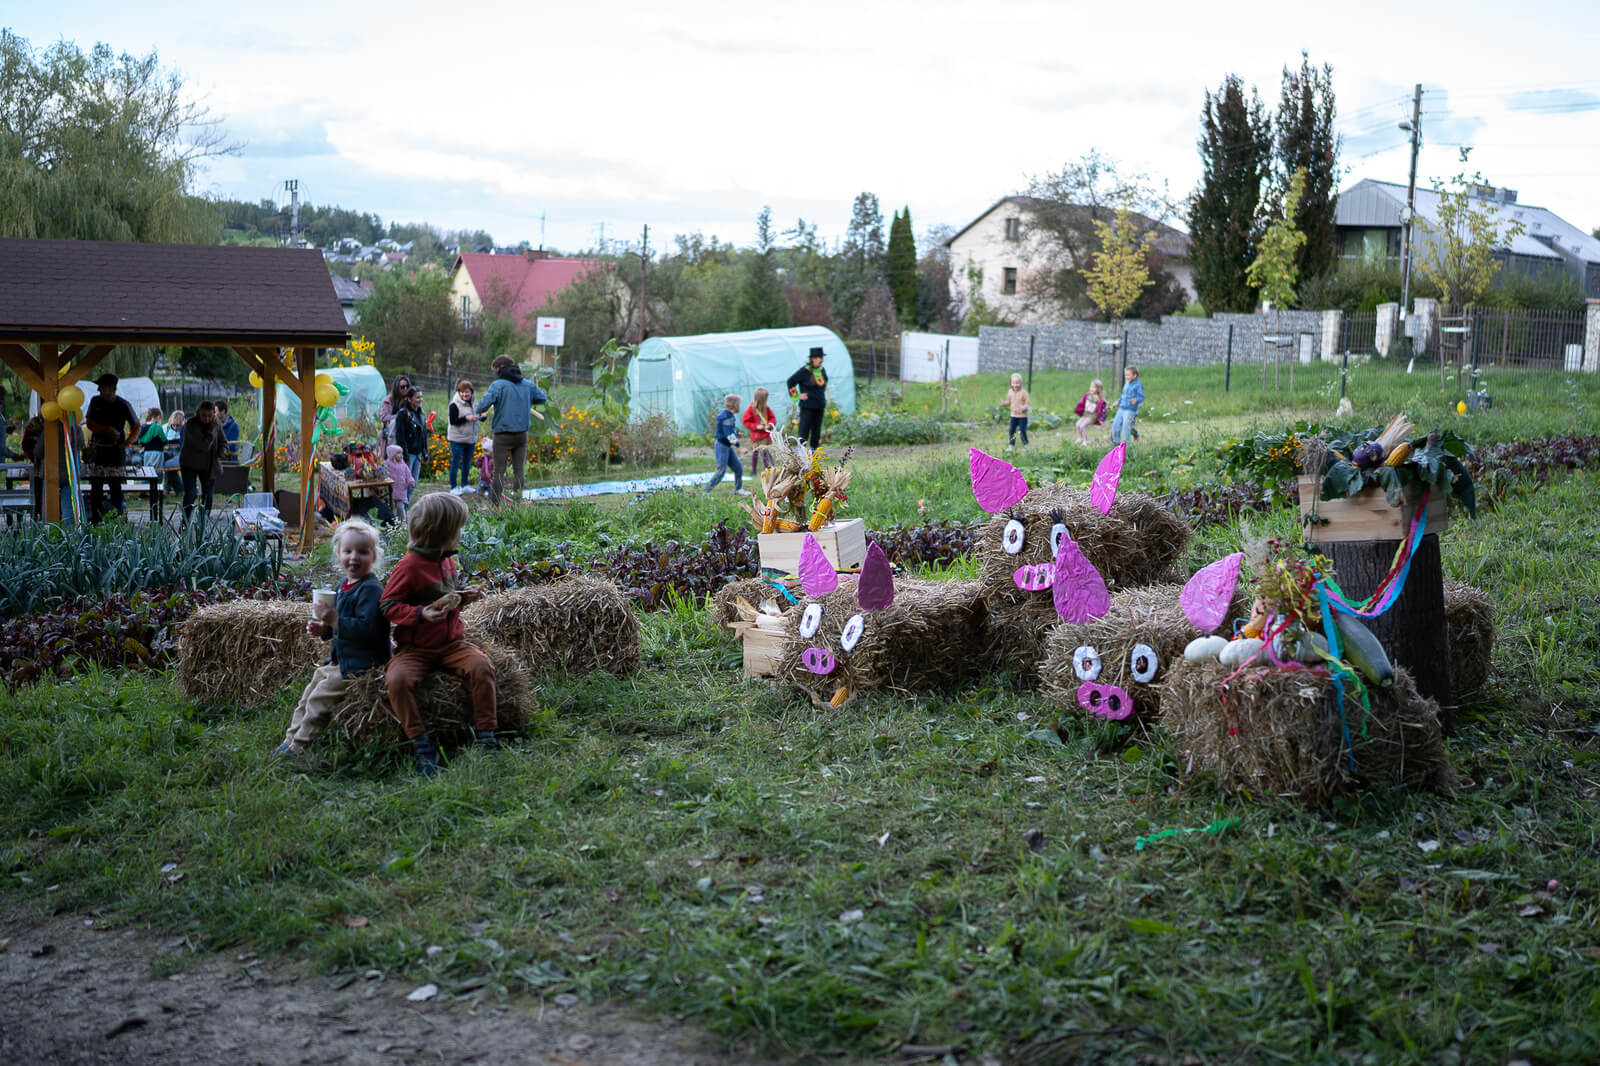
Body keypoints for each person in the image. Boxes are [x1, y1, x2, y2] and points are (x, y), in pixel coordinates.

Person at [380, 492, 497, 774]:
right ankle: (421, 744)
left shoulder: (448, 561)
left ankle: (487, 735)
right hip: (416, 649)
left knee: (483, 668)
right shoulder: (408, 567)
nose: (461, 533)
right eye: (457, 528)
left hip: (451, 644)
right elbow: (388, 605)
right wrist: (420, 614)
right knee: (396, 681)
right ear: (440, 533)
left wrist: (463, 596)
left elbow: (445, 596)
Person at [274, 519, 390, 757]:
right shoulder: (344, 585)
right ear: (339, 554)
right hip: (341, 661)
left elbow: (369, 630)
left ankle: (298, 747)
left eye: (362, 552)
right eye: (348, 551)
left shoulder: (371, 589)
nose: (354, 557)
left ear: (374, 557)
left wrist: (335, 620)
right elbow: (340, 626)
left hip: (362, 665)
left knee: (318, 700)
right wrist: (324, 630)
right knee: (307, 695)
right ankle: (289, 739)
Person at [475, 354, 547, 506]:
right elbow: (542, 398)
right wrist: (526, 399)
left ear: (500, 368)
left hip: (502, 435)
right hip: (521, 434)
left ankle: (494, 507)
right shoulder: (527, 385)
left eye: (496, 369)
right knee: (518, 470)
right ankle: (516, 502)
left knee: (499, 471)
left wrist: (482, 410)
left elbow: (481, 406)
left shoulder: (498, 385)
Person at [83, 373, 141, 522]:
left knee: (116, 487)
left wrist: (127, 443)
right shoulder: (95, 402)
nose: (99, 389)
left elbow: (136, 426)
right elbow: (89, 423)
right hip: (97, 450)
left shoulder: (123, 404)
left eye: (101, 386)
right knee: (96, 488)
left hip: (116, 452)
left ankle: (118, 520)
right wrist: (108, 429)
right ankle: (96, 521)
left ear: (111, 388)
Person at [24, 414, 83, 520]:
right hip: (70, 473)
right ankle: (69, 534)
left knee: (48, 509)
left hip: (50, 473)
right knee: (68, 509)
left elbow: (38, 452)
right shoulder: (76, 428)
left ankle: (49, 533)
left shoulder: (49, 429)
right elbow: (80, 445)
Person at [179, 400, 225, 527]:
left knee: (208, 495)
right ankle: (185, 522)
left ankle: (203, 522)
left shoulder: (216, 424)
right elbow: (204, 445)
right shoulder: (191, 425)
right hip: (189, 463)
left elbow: (222, 440)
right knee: (191, 493)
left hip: (208, 465)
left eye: (210, 415)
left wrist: (223, 450)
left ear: (213, 414)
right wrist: (212, 429)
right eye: (204, 415)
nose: (207, 418)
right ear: (198, 413)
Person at [786, 346, 829, 450]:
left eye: (822, 357)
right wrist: (797, 396)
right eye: (819, 357)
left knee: (817, 429)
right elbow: (790, 382)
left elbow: (824, 383)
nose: (822, 360)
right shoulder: (804, 371)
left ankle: (814, 451)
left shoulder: (822, 370)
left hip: (819, 404)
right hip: (807, 405)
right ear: (813, 359)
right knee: (804, 429)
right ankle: (801, 451)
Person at [705, 393, 747, 495]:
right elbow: (729, 435)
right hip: (722, 447)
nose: (740, 406)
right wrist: (739, 447)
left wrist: (736, 434)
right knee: (721, 471)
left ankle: (738, 489)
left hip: (726, 446)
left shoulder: (729, 415)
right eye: (739, 404)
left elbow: (728, 432)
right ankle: (706, 491)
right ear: (735, 405)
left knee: (738, 467)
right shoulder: (726, 417)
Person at [446, 380, 481, 490]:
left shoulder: (475, 402)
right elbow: (453, 421)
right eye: (462, 392)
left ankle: (464, 485)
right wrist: (466, 418)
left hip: (471, 438)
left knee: (467, 463)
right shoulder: (454, 404)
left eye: (467, 392)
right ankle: (453, 487)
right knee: (456, 463)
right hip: (457, 439)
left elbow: (479, 416)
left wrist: (483, 416)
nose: (464, 394)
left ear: (471, 392)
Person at [394, 387, 430, 483]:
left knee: (414, 483)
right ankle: (404, 499)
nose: (420, 399)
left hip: (418, 454)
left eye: (421, 397)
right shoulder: (403, 414)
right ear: (409, 399)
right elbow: (400, 437)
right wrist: (405, 457)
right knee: (405, 483)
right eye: (417, 397)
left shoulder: (421, 413)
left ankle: (407, 498)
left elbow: (423, 435)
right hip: (408, 454)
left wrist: (425, 453)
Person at [741, 387, 777, 478]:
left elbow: (773, 418)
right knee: (755, 452)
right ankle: (754, 470)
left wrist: (770, 424)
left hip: (765, 436)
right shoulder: (751, 409)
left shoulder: (766, 408)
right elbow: (746, 421)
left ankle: (768, 469)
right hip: (756, 437)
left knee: (765, 452)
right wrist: (756, 426)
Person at [1109, 365, 1144, 446]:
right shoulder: (1126, 384)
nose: (1126, 376)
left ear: (1134, 375)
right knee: (1116, 425)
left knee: (1126, 427)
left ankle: (1126, 445)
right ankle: (1116, 442)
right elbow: (1123, 396)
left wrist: (1136, 400)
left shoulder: (1138, 385)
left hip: (1130, 410)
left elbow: (1141, 397)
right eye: (1125, 375)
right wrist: (1115, 404)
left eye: (1128, 375)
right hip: (1122, 408)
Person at [378, 374, 412, 448]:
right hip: (392, 436)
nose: (405, 388)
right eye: (402, 387)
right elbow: (383, 417)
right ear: (397, 387)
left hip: (408, 436)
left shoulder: (411, 399)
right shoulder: (388, 400)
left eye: (407, 386)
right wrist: (399, 416)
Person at [384, 444, 417, 519]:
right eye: (398, 453)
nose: (401, 455)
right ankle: (394, 523)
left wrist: (411, 481)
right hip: (391, 490)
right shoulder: (387, 464)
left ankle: (403, 523)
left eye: (401, 453)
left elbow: (408, 475)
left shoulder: (403, 465)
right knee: (392, 508)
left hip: (401, 490)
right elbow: (384, 473)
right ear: (392, 454)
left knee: (400, 507)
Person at [1073, 379, 1108, 446]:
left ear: (1098, 389)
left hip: (1092, 416)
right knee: (1077, 424)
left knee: (1082, 426)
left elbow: (1103, 410)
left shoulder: (1099, 399)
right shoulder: (1087, 395)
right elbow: (1082, 403)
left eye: (1094, 387)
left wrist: (1101, 419)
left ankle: (1086, 440)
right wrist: (1078, 409)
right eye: (1091, 387)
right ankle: (1080, 438)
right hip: (1085, 415)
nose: (1091, 389)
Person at [1004, 373, 1031, 449]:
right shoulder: (1010, 392)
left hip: (1022, 416)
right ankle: (1011, 445)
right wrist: (1005, 403)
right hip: (1013, 415)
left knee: (1022, 431)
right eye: (1013, 383)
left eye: (1017, 383)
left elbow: (1027, 403)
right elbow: (1009, 402)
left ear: (1021, 383)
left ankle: (1026, 445)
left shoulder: (1024, 393)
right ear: (1011, 383)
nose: (1015, 385)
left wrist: (1023, 408)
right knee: (1012, 430)